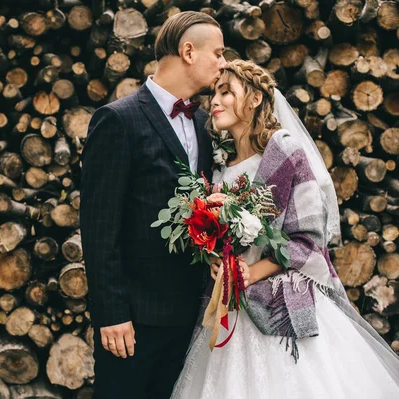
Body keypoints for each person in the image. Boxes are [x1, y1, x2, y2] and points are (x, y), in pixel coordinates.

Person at [171, 59, 399, 399]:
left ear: (254, 100)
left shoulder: (285, 153)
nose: (214, 102)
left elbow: (308, 240)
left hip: (279, 303)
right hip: (230, 309)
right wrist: (215, 260)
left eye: (226, 92)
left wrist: (250, 272)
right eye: (213, 94)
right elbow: (221, 240)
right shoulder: (220, 169)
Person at [79, 11, 226, 399]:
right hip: (134, 319)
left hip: (189, 315)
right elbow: (99, 227)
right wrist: (112, 315)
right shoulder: (117, 120)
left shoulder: (203, 125)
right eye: (219, 53)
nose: (224, 64)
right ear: (189, 51)